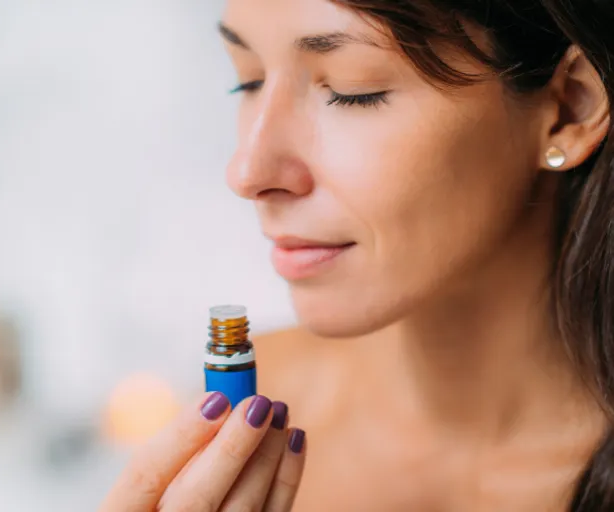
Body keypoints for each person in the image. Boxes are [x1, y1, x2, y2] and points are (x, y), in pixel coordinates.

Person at [100, 0, 614, 509]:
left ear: (570, 106)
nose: (248, 173)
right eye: (249, 81)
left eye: (353, 92)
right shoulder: (256, 409)